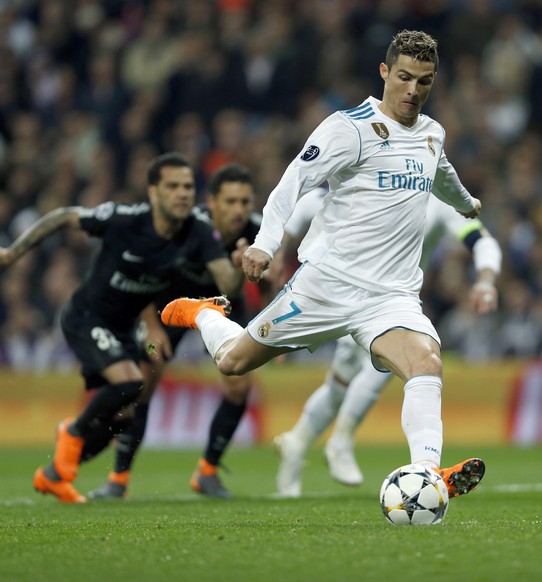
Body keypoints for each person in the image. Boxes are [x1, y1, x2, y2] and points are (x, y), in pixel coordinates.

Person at [161, 30, 487, 501]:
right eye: (404, 78)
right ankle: (203, 312)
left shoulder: (432, 133)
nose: (412, 91)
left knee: (426, 362)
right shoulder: (348, 128)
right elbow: (293, 181)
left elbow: (442, 173)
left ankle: (426, 475)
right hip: (324, 287)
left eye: (424, 81)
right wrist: (265, 244)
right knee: (233, 363)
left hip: (389, 296)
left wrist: (466, 203)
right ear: (384, 72)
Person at [0, 152, 244, 503]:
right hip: (87, 318)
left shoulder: (198, 230)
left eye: (188, 187)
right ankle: (73, 431)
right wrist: (11, 254)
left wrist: (239, 267)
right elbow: (63, 217)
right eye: (172, 186)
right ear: (153, 192)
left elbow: (227, 283)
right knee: (131, 383)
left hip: (128, 330)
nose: (182, 194)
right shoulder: (123, 218)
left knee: (126, 413)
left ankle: (56, 472)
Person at [274, 191, 502, 496]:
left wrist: (485, 280)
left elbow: (481, 240)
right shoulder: (366, 184)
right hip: (344, 295)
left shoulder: (438, 206)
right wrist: (278, 249)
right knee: (360, 375)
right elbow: (304, 205)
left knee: (345, 382)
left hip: (393, 302)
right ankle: (338, 440)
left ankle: (299, 442)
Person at [87, 163, 266, 500]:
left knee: (240, 386)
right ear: (211, 202)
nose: (239, 210)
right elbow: (140, 275)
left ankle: (207, 473)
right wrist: (151, 326)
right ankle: (118, 479)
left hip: (224, 308)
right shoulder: (184, 226)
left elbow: (265, 283)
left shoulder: (258, 232)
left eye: (244, 202)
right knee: (143, 385)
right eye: (230, 202)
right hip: (167, 310)